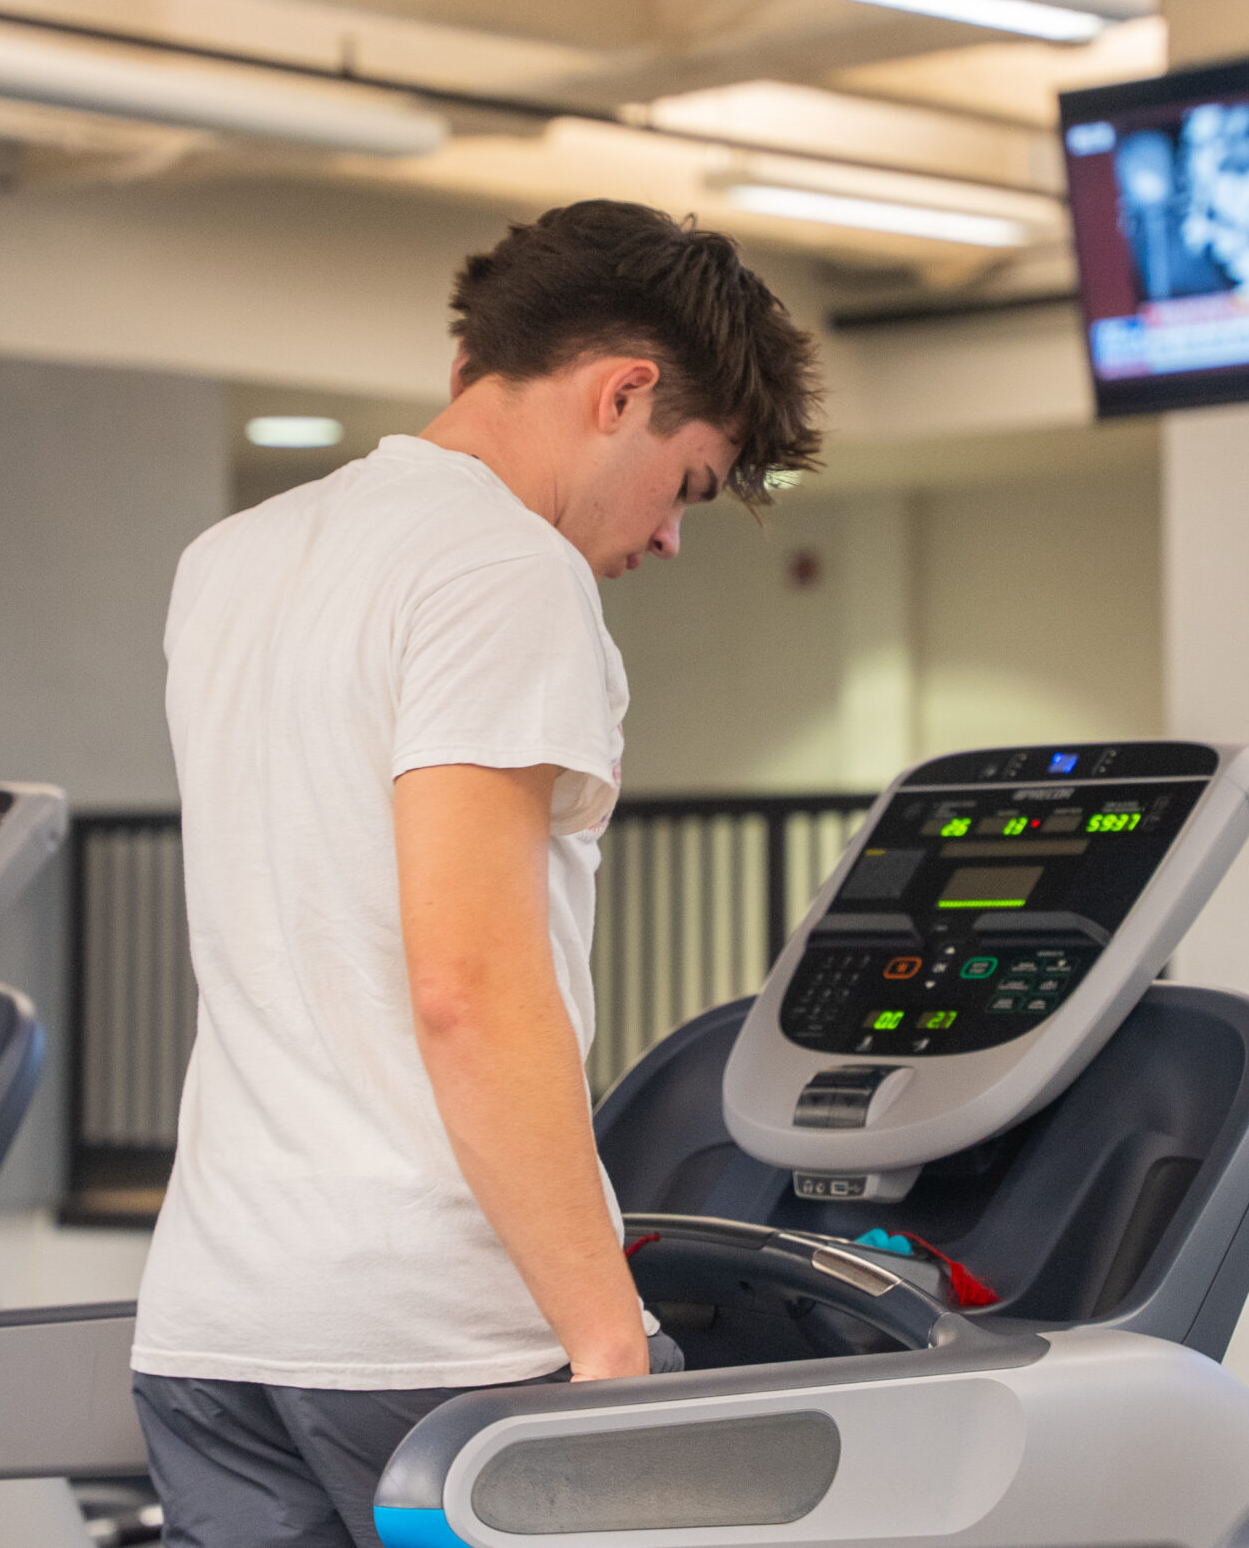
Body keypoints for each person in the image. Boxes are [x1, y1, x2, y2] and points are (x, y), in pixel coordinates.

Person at [130, 200, 826, 1548]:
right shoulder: (507, 570)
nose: (670, 539)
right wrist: (608, 1342)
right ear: (623, 391)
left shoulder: (234, 559)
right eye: (687, 482)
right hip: (433, 1329)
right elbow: (470, 984)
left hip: (216, 1319)